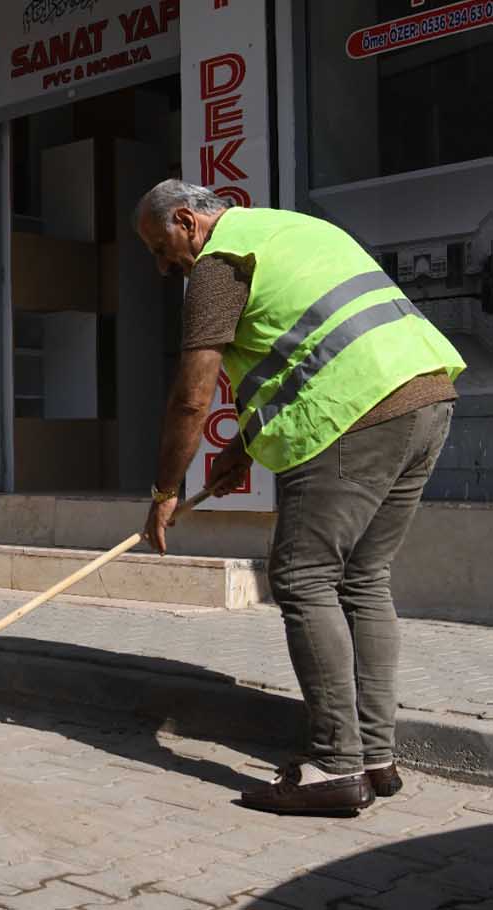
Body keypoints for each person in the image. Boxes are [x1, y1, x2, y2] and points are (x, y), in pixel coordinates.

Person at [134, 179, 464, 815]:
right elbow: (304, 353)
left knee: (302, 576)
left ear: (186, 220)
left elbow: (190, 396)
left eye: (160, 246)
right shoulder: (291, 230)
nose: (161, 264)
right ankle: (375, 756)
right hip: (424, 399)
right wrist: (241, 451)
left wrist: (163, 491)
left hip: (357, 416)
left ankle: (334, 765)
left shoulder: (219, 263)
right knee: (364, 577)